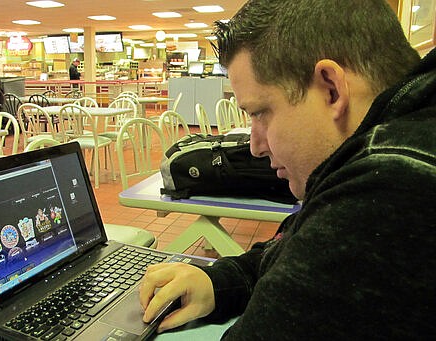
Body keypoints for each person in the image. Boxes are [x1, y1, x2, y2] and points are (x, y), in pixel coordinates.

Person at [139, 0, 436, 339]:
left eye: (260, 113)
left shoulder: (393, 183)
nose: (255, 145)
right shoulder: (399, 138)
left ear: (331, 89)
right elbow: (295, 246)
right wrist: (219, 280)